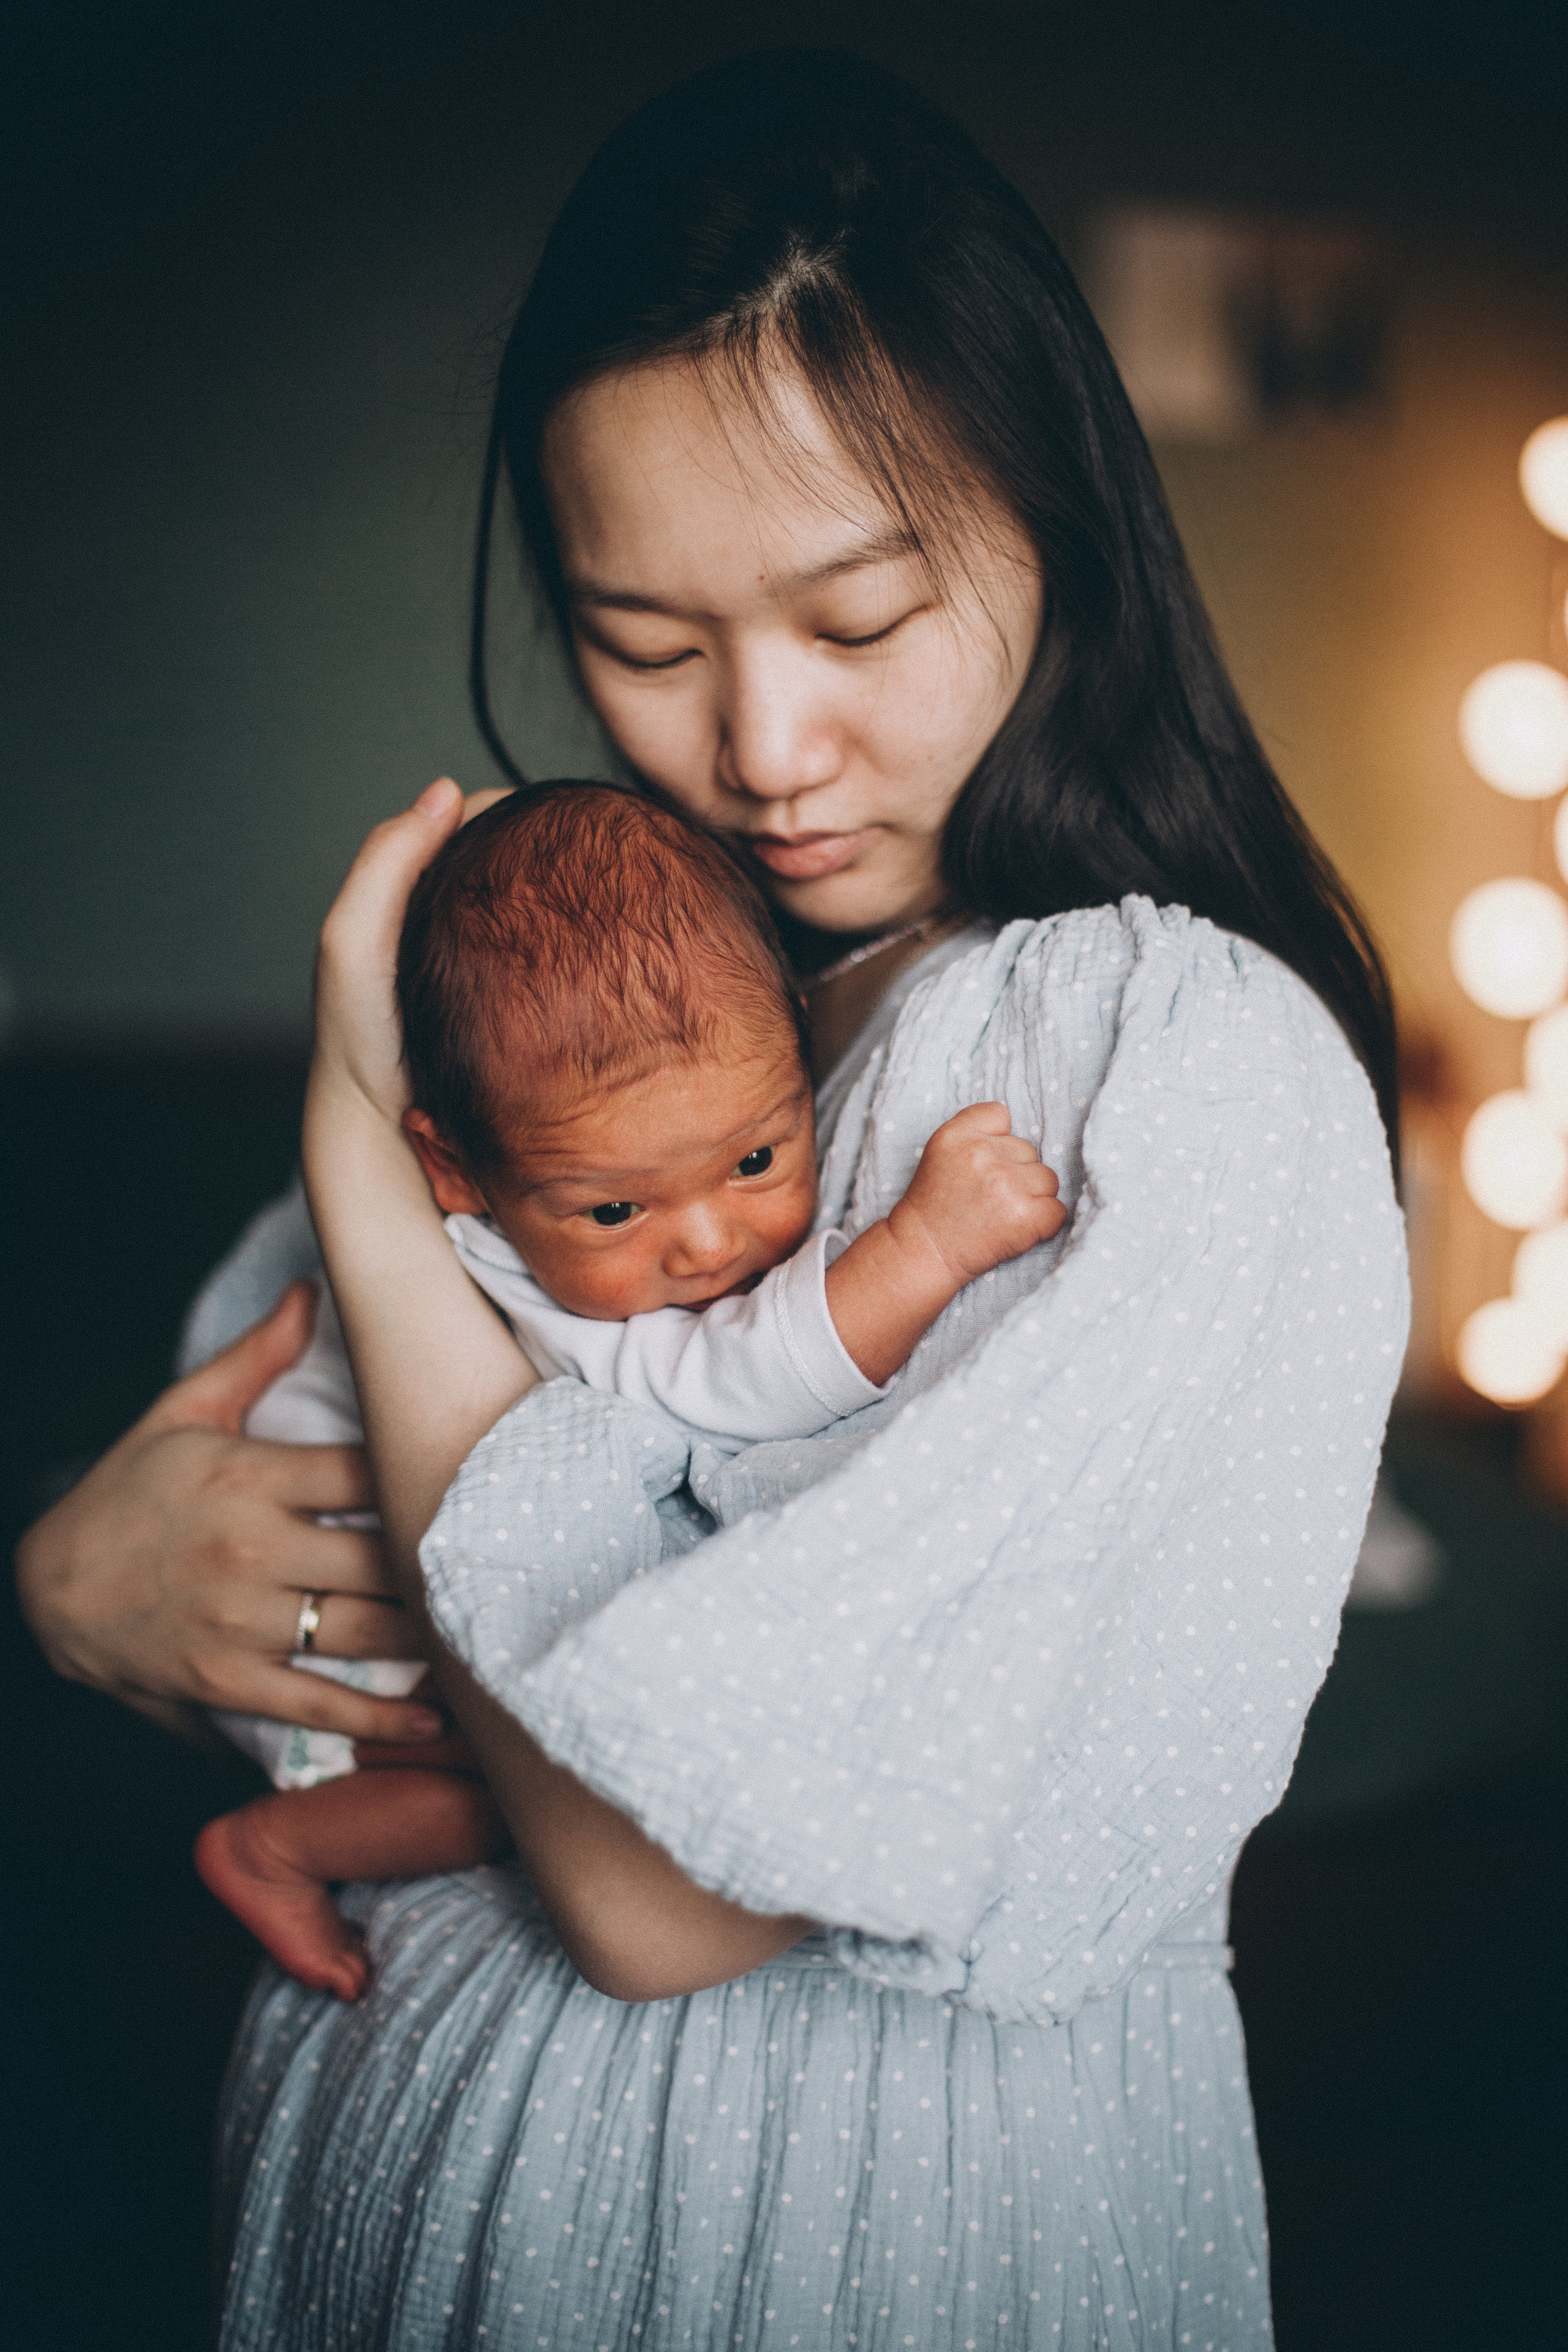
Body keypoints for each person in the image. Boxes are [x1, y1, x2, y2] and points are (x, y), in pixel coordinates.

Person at [15, 50, 1407, 2350]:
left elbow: (659, 1891)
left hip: (845, 2244)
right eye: (642, 645)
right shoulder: (609, 1015)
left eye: (858, 624)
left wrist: (375, 1161)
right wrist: (82, 1574)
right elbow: (301, 1570)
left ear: (1058, 526)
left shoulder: (1172, 1067)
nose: (758, 750)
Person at [195, 780, 1065, 1999]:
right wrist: (921, 1248)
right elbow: (721, 1384)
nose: (710, 1241)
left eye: (756, 1157)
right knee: (532, 1800)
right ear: (453, 1167)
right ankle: (267, 1846)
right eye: (614, 1209)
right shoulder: (512, 1263)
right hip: (335, 1624)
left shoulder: (600, 1175)